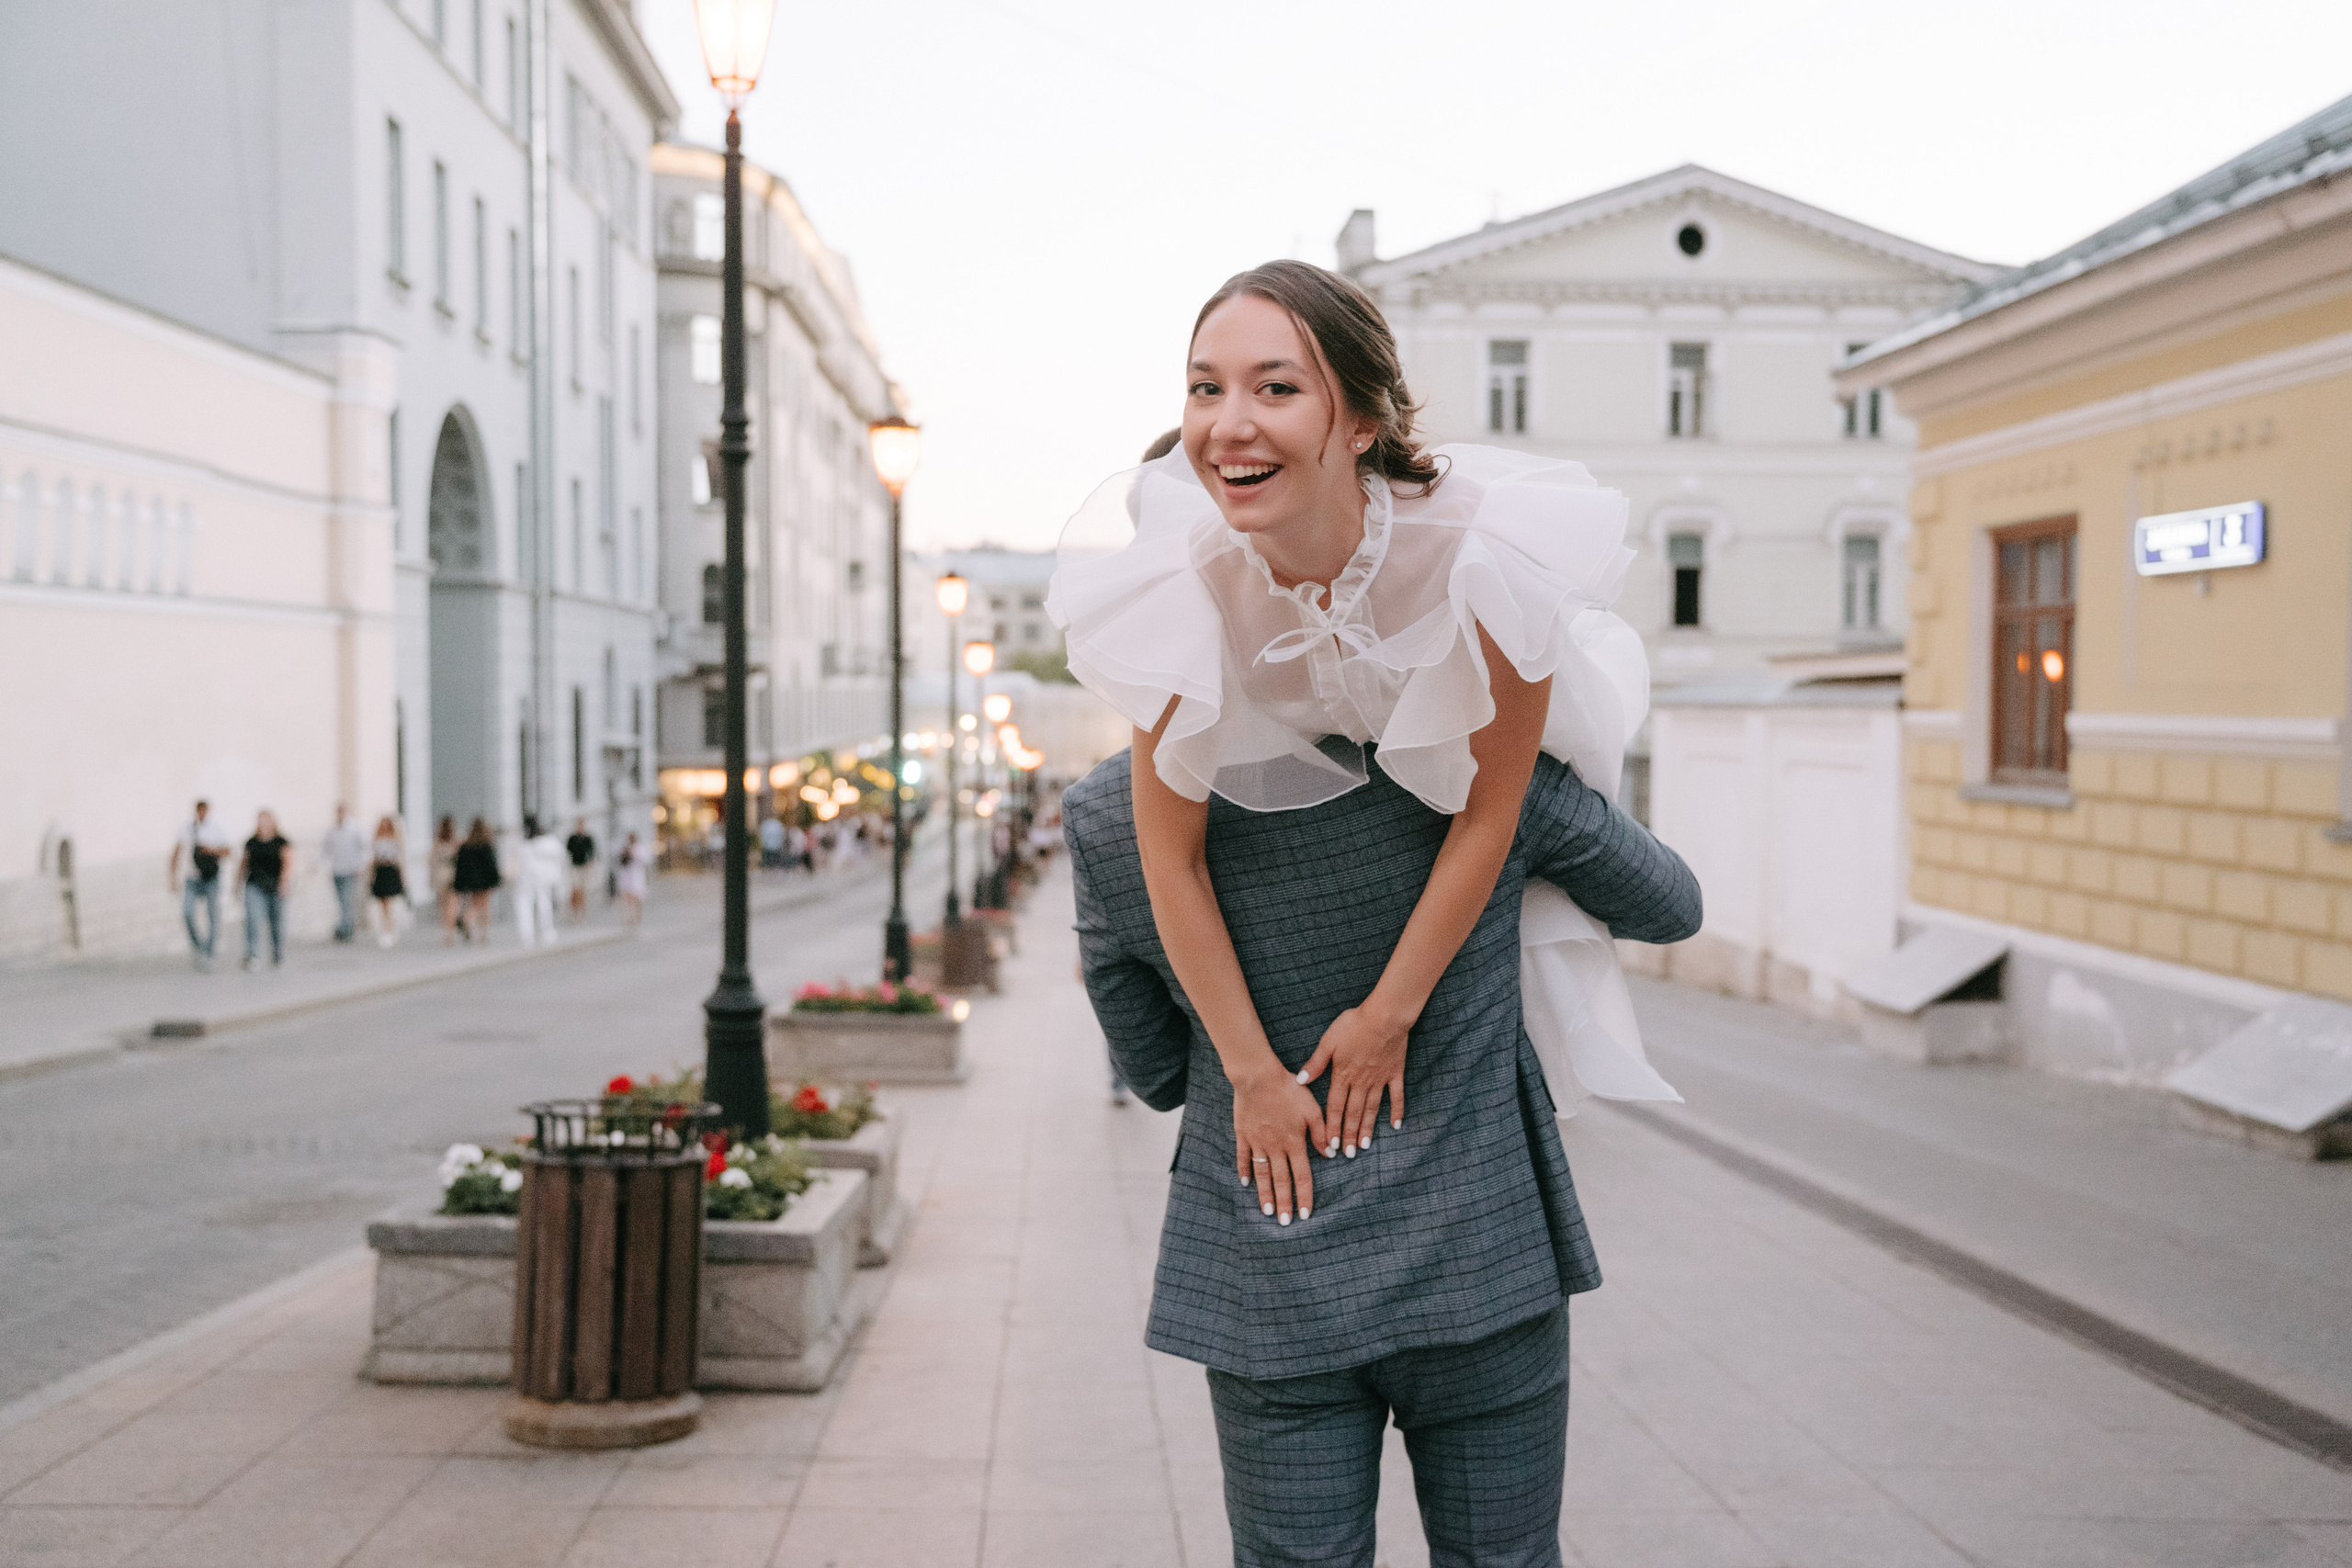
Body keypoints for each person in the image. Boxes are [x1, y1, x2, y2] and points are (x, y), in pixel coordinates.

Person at [1050, 259, 1702, 1564]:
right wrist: (1261, 1071)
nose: (1228, 421)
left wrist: (1360, 1023)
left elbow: (1485, 810)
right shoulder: (1186, 593)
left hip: (1271, 1253)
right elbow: (1596, 865)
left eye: (1274, 387)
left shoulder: (1486, 559)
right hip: (1479, 1238)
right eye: (1204, 387)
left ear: (1360, 417)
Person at [169, 799, 234, 970]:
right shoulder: (187, 828)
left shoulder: (217, 828)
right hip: (192, 877)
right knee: (187, 912)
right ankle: (199, 947)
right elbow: (176, 852)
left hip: (211, 877)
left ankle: (210, 953)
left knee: (213, 916)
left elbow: (227, 851)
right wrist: (173, 877)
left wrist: (210, 850)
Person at [236, 809, 292, 970]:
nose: (263, 823)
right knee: (253, 919)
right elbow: (244, 863)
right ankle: (252, 954)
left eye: (266, 820)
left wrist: (284, 883)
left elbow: (288, 863)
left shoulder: (281, 841)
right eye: (260, 820)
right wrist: (238, 883)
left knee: (276, 922)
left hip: (275, 886)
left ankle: (277, 953)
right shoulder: (251, 842)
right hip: (255, 885)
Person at [514, 817, 564, 945]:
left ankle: (527, 934)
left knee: (525, 904)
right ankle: (546, 931)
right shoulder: (547, 841)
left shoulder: (524, 842)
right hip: (543, 877)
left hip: (527, 877)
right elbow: (560, 854)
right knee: (544, 902)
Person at [321, 805, 367, 942]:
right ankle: (346, 927)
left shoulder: (354, 829)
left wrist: (360, 866)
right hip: (337, 870)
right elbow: (326, 849)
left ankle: (346, 929)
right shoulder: (332, 830)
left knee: (347, 900)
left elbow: (363, 848)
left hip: (350, 870)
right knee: (341, 901)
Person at [452, 818, 500, 941]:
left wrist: (460, 882)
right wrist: (496, 880)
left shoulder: (465, 846)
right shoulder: (486, 846)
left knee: (474, 904)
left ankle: (466, 920)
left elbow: (460, 866)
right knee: (484, 906)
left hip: (471, 881)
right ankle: (483, 933)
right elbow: (491, 865)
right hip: (485, 881)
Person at [368, 816, 406, 947]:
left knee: (389, 902)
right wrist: (371, 876)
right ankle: (385, 928)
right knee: (382, 902)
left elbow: (399, 859)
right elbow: (373, 859)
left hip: (390, 870)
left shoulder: (395, 839)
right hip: (380, 871)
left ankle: (389, 929)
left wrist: (402, 877)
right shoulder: (376, 839)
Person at [430, 817, 460, 944]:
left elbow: (431, 862)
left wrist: (431, 879)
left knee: (443, 907)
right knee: (452, 906)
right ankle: (450, 933)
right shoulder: (456, 843)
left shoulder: (437, 844)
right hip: (453, 876)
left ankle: (446, 933)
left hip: (440, 877)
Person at [614, 830, 649, 928]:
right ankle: (630, 918)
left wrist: (633, 853)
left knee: (637, 899)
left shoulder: (639, 849)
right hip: (626, 878)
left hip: (637, 878)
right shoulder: (624, 849)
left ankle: (637, 917)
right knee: (628, 899)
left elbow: (644, 859)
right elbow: (621, 861)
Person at [565, 818, 597, 918]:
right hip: (574, 865)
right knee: (574, 889)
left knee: (582, 889)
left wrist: (590, 864)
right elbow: (568, 850)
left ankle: (582, 911)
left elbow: (592, 851)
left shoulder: (587, 838)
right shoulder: (573, 837)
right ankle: (574, 910)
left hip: (583, 866)